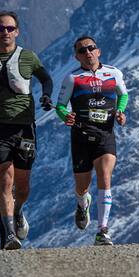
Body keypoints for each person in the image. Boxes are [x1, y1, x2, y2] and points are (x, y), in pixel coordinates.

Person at [0, 11, 54, 250]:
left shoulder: (28, 58)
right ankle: (10, 236)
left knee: (22, 187)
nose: (6, 32)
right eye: (1, 28)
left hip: (25, 127)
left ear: (17, 31)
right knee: (5, 179)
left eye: (10, 28)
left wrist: (46, 95)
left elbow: (46, 78)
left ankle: (19, 210)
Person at [55, 35, 128, 246]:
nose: (87, 53)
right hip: (81, 136)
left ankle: (102, 230)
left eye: (91, 48)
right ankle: (82, 202)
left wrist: (121, 111)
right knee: (82, 186)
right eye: (81, 51)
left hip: (105, 134)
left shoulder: (113, 73)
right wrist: (64, 116)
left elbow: (123, 95)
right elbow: (60, 106)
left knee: (105, 176)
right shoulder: (72, 78)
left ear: (98, 51)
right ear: (77, 57)